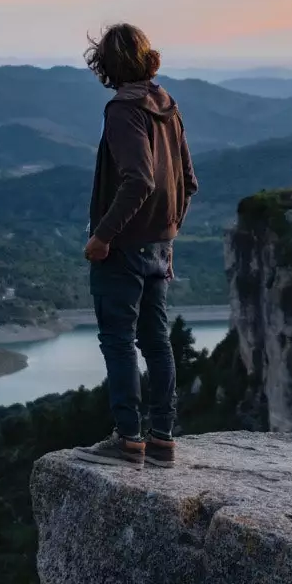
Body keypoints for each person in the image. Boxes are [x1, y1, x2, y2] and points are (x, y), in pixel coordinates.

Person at [73, 23, 198, 469]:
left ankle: (128, 440)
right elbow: (188, 181)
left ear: (104, 65)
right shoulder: (168, 105)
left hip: (123, 248)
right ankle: (162, 439)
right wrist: (169, 231)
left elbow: (139, 179)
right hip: (159, 246)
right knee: (156, 341)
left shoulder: (123, 110)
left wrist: (103, 236)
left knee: (119, 341)